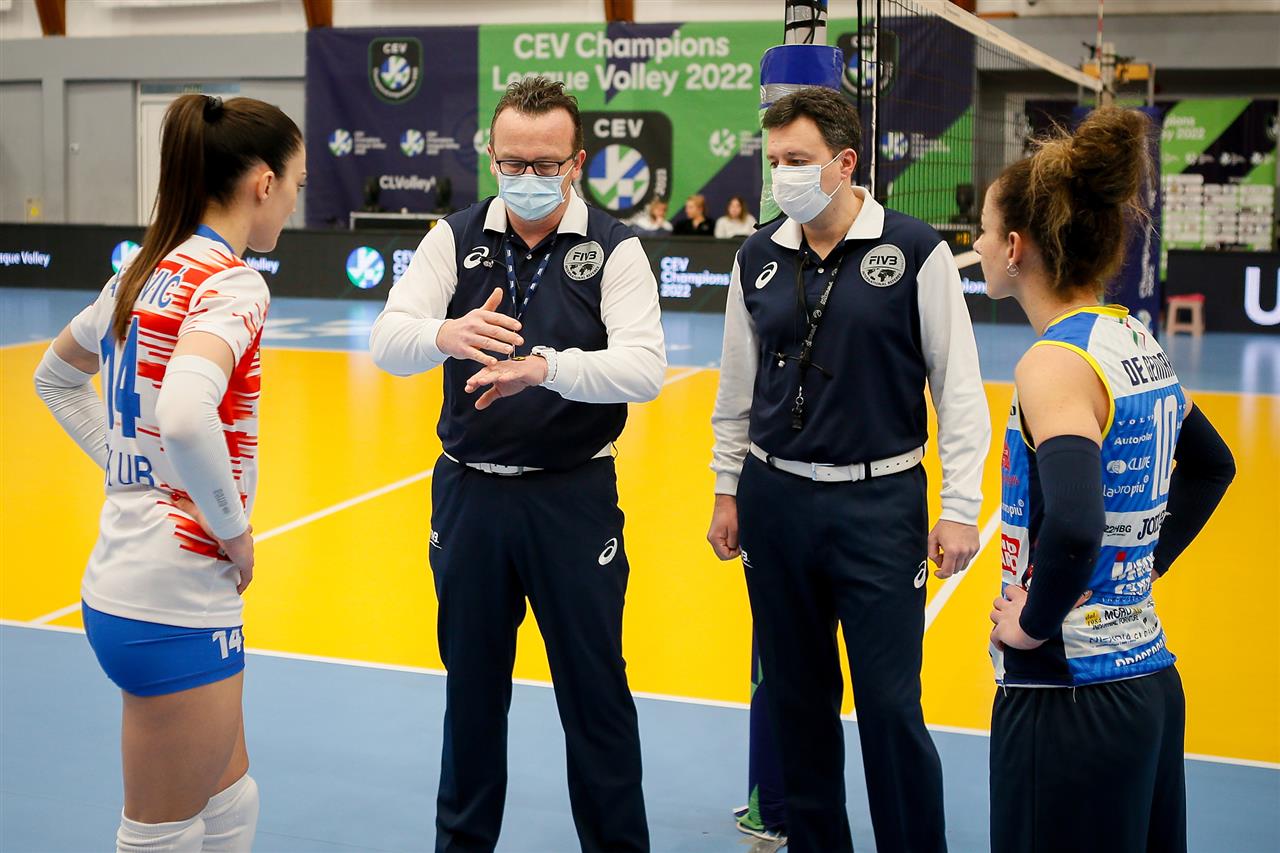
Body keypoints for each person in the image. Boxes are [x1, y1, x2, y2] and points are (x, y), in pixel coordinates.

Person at [368, 76, 664, 853]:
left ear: (577, 162)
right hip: (469, 497)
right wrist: (444, 334)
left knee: (596, 696)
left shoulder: (617, 248)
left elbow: (644, 368)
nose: (528, 176)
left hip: (573, 498)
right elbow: (387, 340)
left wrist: (545, 368)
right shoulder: (453, 237)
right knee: (471, 697)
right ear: (491, 157)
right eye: (513, 162)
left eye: (545, 164)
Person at [707, 86, 990, 853]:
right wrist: (726, 489)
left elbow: (959, 390)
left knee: (891, 707)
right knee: (797, 701)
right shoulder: (756, 256)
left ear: (844, 162)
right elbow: (735, 389)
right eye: (774, 161)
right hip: (774, 501)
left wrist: (960, 507)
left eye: (797, 159)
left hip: (880, 506)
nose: (782, 175)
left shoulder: (917, 250)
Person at [33, 94, 303, 851]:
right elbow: (185, 413)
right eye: (296, 183)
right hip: (172, 595)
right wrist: (233, 530)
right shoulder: (232, 283)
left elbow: (56, 378)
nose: (293, 201)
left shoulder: (141, 271)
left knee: (231, 801)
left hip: (133, 580)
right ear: (262, 183)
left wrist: (136, 470)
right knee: (164, 834)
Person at [978, 106, 1235, 853]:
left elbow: (1076, 522)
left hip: (1068, 696)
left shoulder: (1052, 363)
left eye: (985, 231)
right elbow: (1213, 466)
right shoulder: (1129, 337)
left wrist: (1030, 626)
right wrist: (1140, 568)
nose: (979, 245)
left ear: (1015, 247)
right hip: (1147, 679)